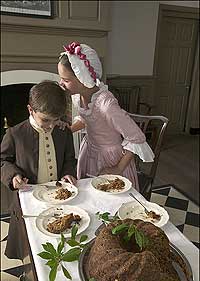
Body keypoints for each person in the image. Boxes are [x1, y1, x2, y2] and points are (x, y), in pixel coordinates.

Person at [58, 41, 154, 191]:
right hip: (90, 151)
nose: (61, 83)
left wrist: (117, 168)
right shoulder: (78, 96)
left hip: (110, 159)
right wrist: (69, 129)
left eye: (66, 80)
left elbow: (137, 138)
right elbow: (87, 119)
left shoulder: (106, 105)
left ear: (83, 78)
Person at [1, 80, 77, 260]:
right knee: (30, 245)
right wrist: (13, 176)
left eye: (55, 119)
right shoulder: (15, 134)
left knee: (57, 238)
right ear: (30, 110)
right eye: (45, 120)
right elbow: (2, 160)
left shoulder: (63, 131)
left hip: (58, 199)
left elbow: (69, 159)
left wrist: (68, 173)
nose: (51, 125)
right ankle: (27, 277)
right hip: (29, 200)